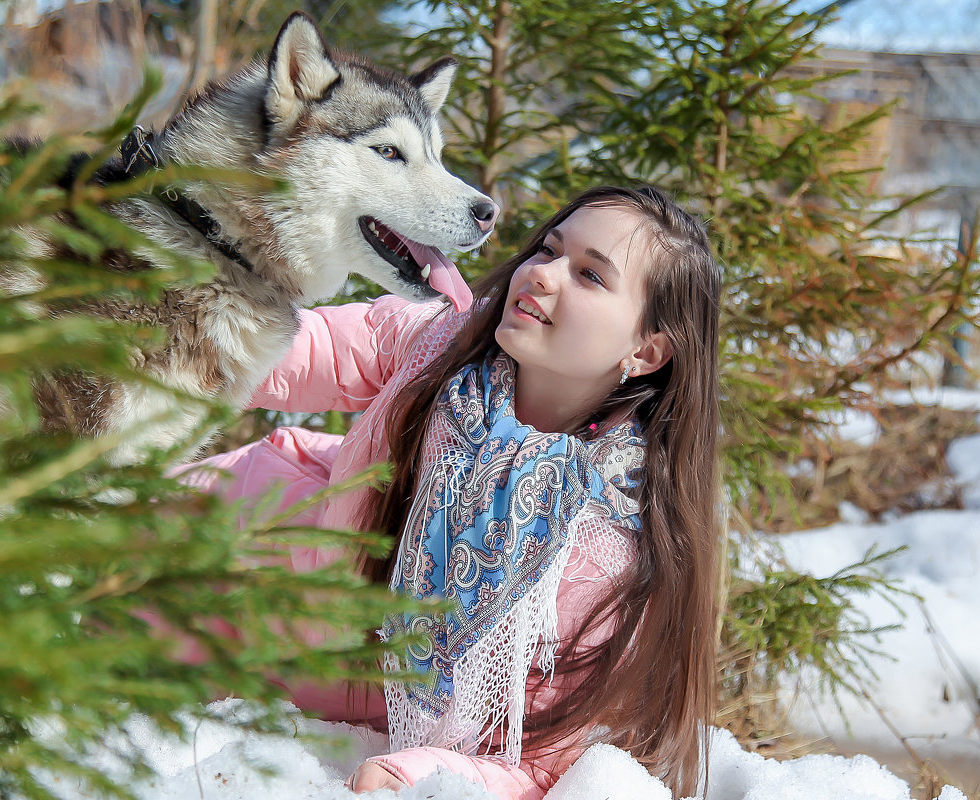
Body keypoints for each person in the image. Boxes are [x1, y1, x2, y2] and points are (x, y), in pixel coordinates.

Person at [176, 185, 722, 798]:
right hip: (220, 534)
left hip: (306, 674)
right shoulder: (440, 345)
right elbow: (283, 351)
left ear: (647, 350)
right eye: (548, 249)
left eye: (591, 276)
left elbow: (544, 764)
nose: (542, 274)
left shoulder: (608, 549)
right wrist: (161, 328)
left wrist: (418, 774)